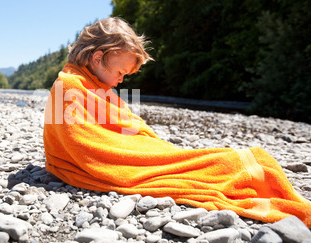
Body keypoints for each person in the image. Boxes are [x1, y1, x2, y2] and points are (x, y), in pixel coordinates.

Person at [43, 17, 311, 227]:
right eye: (121, 72)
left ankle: (244, 167)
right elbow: (84, 143)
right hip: (90, 161)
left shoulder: (95, 85)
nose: (122, 80)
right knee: (211, 164)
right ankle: (244, 169)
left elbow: (128, 127)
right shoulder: (68, 85)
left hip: (123, 148)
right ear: (97, 58)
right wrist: (136, 153)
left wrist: (145, 144)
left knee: (185, 157)